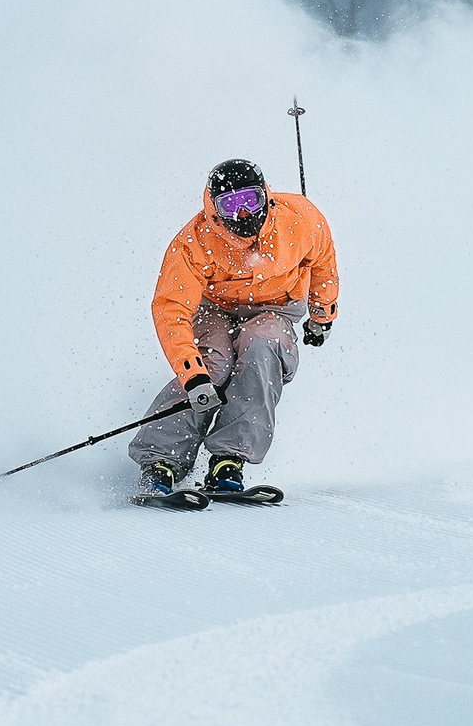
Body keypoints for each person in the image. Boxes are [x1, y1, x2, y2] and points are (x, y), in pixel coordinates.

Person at [130, 158, 338, 499]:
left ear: (266, 197)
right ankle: (161, 459)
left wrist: (322, 313)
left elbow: (323, 262)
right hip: (215, 308)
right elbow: (172, 310)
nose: (243, 215)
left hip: (275, 307)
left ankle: (229, 459)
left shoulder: (301, 220)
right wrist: (191, 375)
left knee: (262, 346)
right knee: (212, 366)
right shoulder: (192, 243)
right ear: (214, 208)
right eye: (230, 205)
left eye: (250, 201)